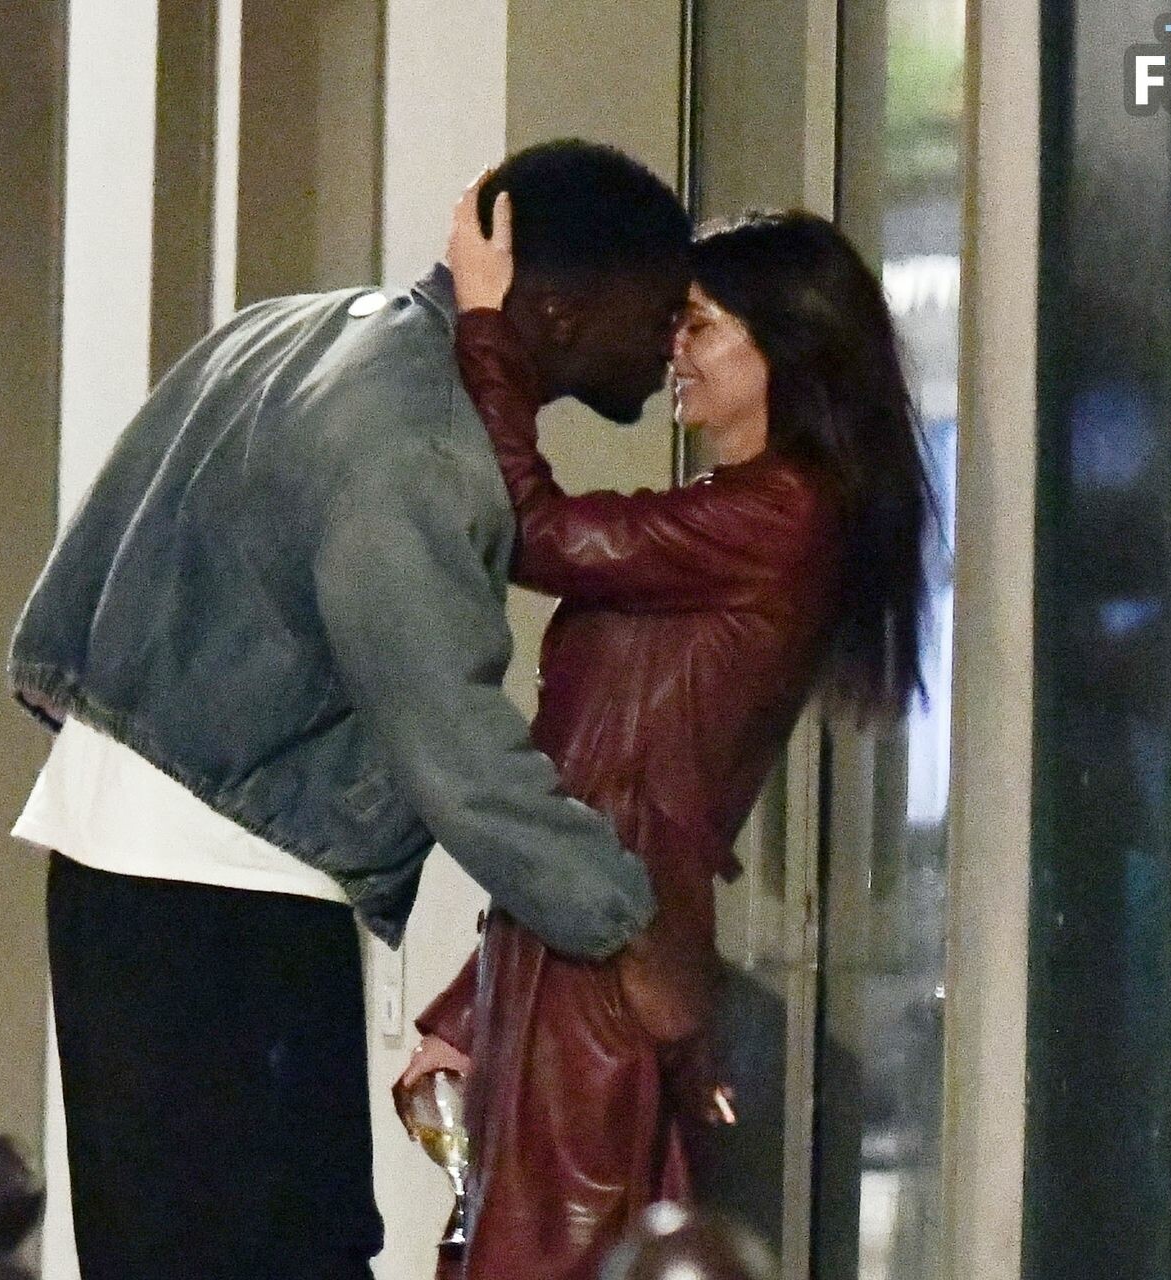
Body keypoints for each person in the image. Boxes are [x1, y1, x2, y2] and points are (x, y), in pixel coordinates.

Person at [5, 140, 692, 1280]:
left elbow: (91, 564)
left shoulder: (292, 329)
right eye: (660, 312)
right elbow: (460, 756)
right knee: (289, 1252)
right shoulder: (417, 441)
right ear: (562, 311)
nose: (669, 343)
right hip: (230, 896)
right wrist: (627, 924)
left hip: (115, 852)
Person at [398, 185, 931, 1280]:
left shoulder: (781, 513)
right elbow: (600, 786)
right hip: (582, 950)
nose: (669, 348)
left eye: (698, 324)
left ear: (785, 347)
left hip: (602, 970)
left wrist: (488, 327)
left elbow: (535, 531)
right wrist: (471, 1004)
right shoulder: (760, 508)